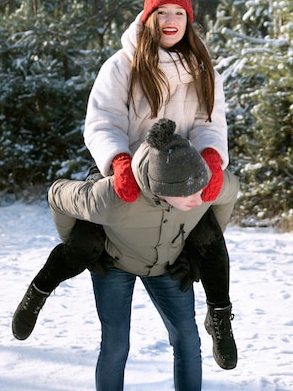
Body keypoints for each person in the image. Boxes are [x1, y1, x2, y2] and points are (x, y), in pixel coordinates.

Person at [13, 0, 238, 370]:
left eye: (179, 13)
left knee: (209, 237)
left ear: (188, 19)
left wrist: (211, 160)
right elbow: (102, 122)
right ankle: (39, 290)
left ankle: (219, 316)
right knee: (86, 244)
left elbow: (209, 123)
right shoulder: (123, 65)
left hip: (177, 182)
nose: (171, 20)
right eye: (162, 12)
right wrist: (118, 162)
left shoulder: (203, 68)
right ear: (148, 17)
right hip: (127, 177)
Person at [48, 119, 230, 391]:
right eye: (191, 194)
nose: (198, 198)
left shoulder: (195, 185)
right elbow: (58, 195)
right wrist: (80, 246)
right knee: (116, 342)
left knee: (189, 339)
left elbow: (228, 192)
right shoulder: (111, 198)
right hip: (115, 260)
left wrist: (195, 248)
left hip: (167, 260)